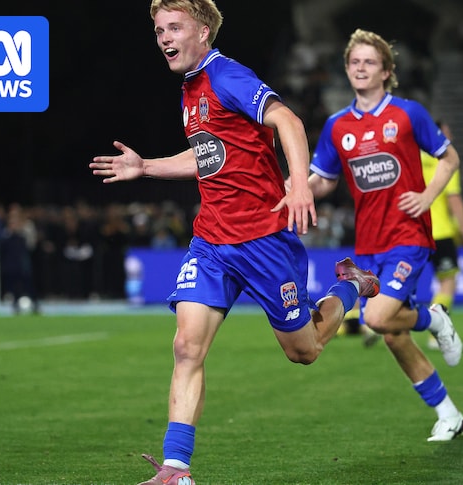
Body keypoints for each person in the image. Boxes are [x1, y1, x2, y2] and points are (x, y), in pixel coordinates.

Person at [89, 2, 380, 484]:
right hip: (212, 242)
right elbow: (210, 155)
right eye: (159, 29)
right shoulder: (190, 89)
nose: (164, 37)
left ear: (203, 31)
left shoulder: (226, 75)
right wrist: (147, 168)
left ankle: (350, 286)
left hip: (265, 240)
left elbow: (286, 120)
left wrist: (299, 182)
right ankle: (176, 469)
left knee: (303, 350)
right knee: (186, 346)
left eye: (175, 27)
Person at [303, 28, 463, 442]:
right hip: (368, 245)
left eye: (369, 62)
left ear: (387, 71)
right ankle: (449, 415)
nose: (360, 68)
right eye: (354, 62)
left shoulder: (408, 114)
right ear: (346, 69)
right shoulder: (337, 126)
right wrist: (297, 190)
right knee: (394, 334)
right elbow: (323, 181)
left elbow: (449, 157)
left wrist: (429, 195)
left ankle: (434, 317)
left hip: (408, 235)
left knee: (376, 318)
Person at [422, 120, 463, 349]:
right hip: (440, 232)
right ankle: (437, 334)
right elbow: (454, 199)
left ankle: (372, 323)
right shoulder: (446, 159)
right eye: (446, 132)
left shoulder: (413, 157)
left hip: (413, 232)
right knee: (447, 283)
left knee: (402, 284)